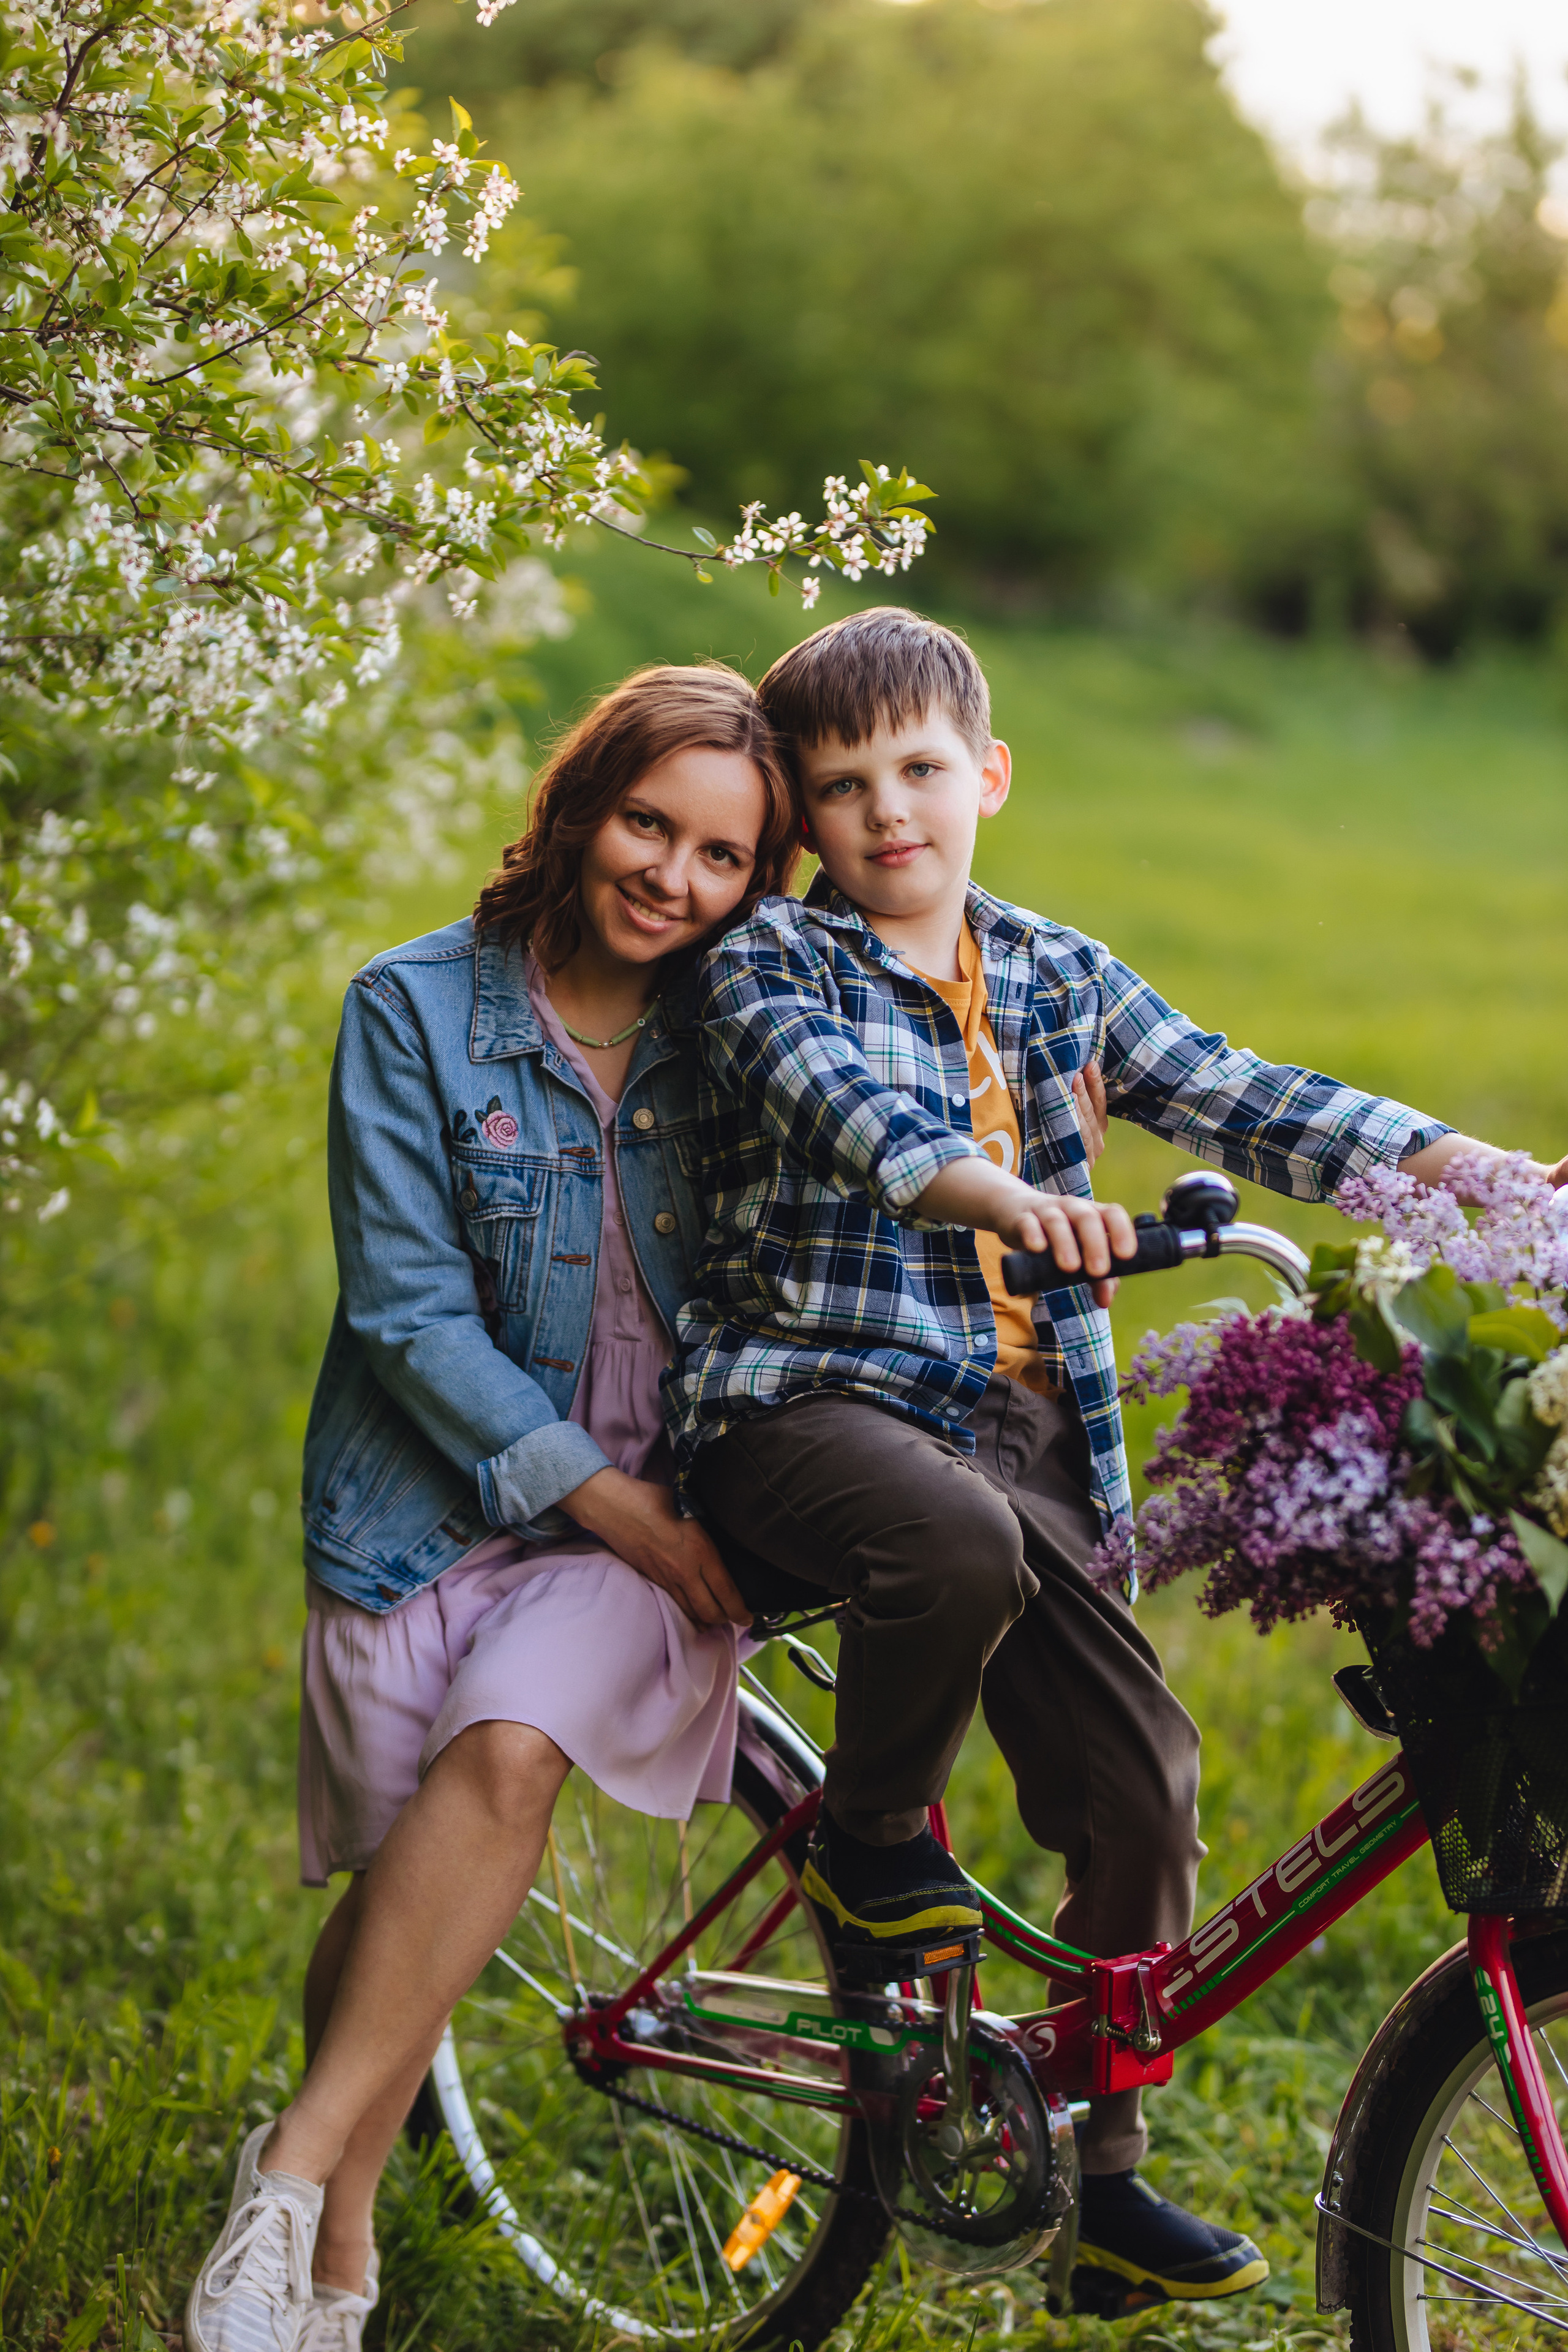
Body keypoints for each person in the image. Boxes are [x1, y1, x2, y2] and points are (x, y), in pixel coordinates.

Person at [665, 606, 1568, 2315]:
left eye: (920, 769)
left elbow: (1237, 1093)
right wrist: (1011, 1199)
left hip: (1025, 1432)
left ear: (990, 774)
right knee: (949, 1542)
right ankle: (872, 1841)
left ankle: (1100, 2182)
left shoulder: (1055, 971)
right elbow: (850, 1115)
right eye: (843, 787)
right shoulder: (769, 966)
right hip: (811, 1407)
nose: (888, 811)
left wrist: (1479, 1169)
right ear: (804, 815)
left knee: (1143, 1787)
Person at [183, 666, 796, 2352]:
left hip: (651, 1519)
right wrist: (594, 1498)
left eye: (723, 856)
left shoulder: (746, 1035)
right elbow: (407, 1314)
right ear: (582, 806)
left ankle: (288, 2181)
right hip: (420, 1506)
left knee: (510, 1756)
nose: (672, 877)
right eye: (648, 823)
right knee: (408, 1889)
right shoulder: (414, 1009)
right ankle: (339, 2232)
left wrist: (650, 1521)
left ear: (760, 879)